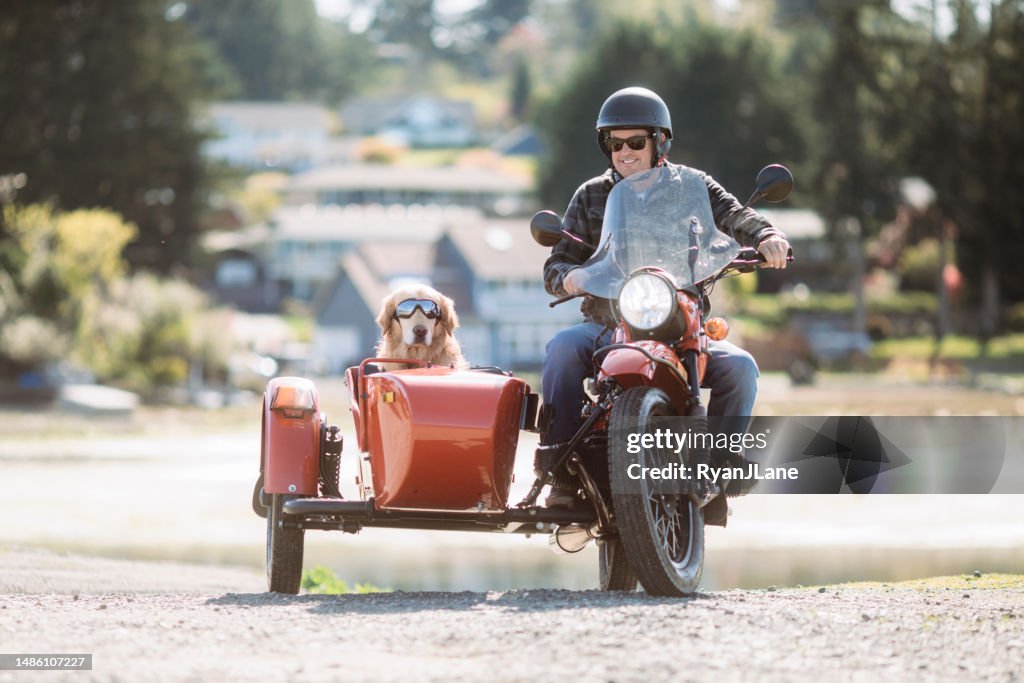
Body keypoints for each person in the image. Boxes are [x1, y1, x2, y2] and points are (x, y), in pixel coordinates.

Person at [540, 86, 790, 508]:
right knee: (563, 350)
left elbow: (733, 214)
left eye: (636, 142)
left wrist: (766, 234)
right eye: (614, 143)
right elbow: (556, 265)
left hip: (682, 326)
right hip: (607, 323)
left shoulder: (692, 186)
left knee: (741, 368)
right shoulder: (590, 195)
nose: (625, 152)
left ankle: (716, 467)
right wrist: (571, 277)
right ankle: (560, 472)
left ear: (661, 142)